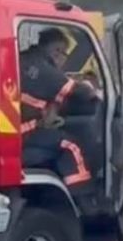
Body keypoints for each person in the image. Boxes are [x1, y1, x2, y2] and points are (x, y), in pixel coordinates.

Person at [19, 28, 103, 201]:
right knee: (71, 145)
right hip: (21, 133)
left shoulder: (25, 59)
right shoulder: (41, 67)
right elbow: (76, 92)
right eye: (64, 53)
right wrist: (91, 89)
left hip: (19, 129)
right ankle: (83, 198)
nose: (64, 58)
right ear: (56, 50)